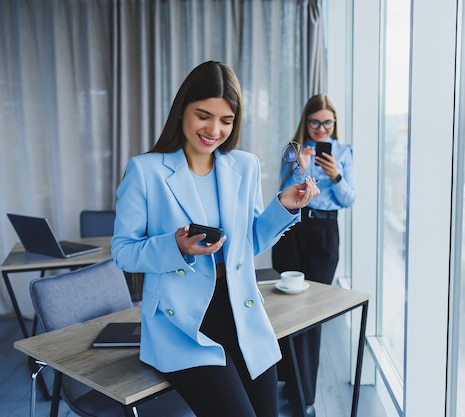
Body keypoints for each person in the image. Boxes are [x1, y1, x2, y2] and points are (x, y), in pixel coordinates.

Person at [111, 61, 320, 417]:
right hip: (180, 322)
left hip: (241, 309)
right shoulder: (145, 170)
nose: (214, 129)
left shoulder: (245, 166)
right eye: (203, 115)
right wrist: (174, 247)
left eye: (226, 120)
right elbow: (123, 252)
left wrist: (282, 207)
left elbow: (248, 245)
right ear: (181, 113)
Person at [271, 93, 355, 417]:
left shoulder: (344, 152)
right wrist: (300, 169)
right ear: (306, 121)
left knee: (312, 314)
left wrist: (335, 175)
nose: (321, 128)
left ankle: (305, 397)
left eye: (327, 122)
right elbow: (284, 193)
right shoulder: (293, 150)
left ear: (335, 123)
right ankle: (286, 382)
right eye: (315, 122)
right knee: (288, 308)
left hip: (323, 234)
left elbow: (349, 198)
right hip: (293, 229)